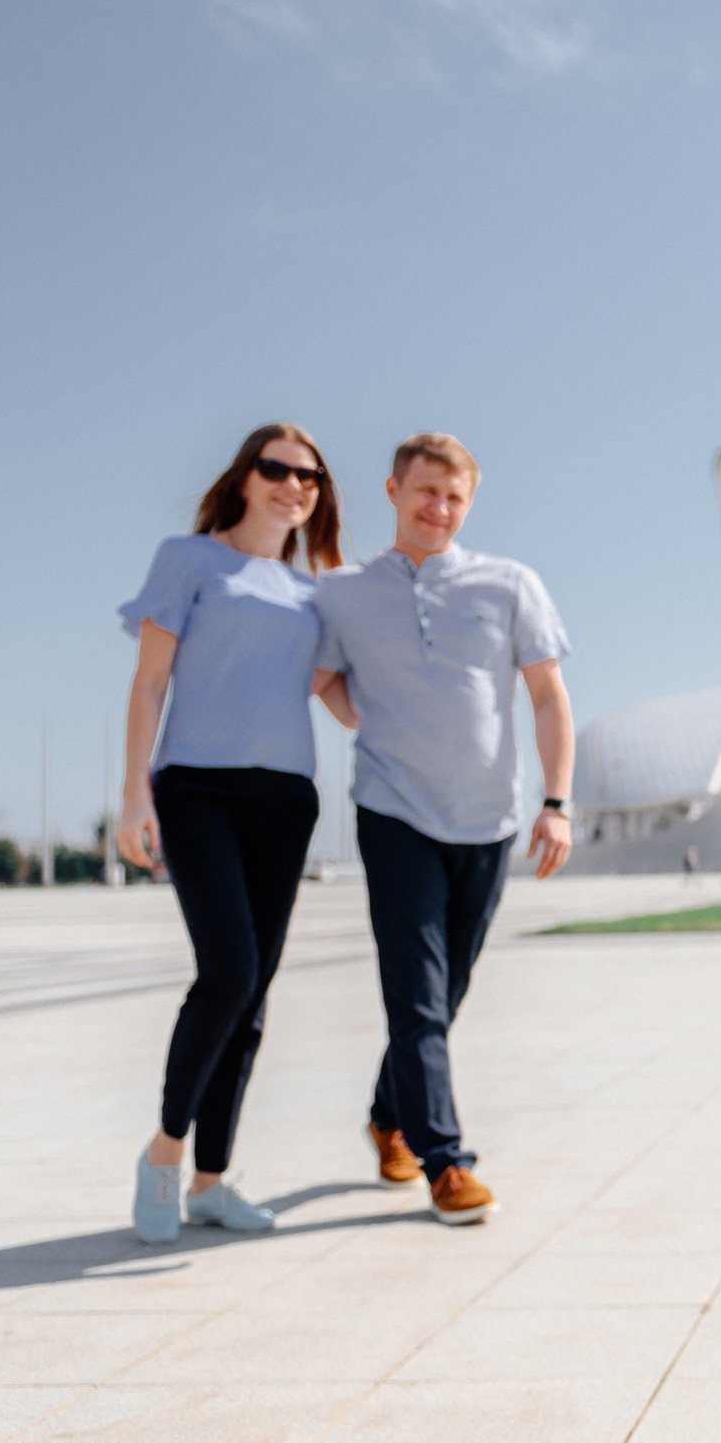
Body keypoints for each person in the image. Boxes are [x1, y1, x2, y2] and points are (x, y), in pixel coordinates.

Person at [312, 433, 573, 1226]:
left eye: (455, 497)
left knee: (446, 990)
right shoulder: (344, 592)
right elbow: (324, 677)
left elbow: (549, 697)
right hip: (393, 810)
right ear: (393, 490)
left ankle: (388, 1114)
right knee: (417, 995)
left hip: (489, 820)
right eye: (426, 492)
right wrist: (376, 725)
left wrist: (555, 803)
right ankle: (446, 1162)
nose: (440, 509)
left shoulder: (510, 583)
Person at [116, 424, 359, 1244]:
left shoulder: (313, 594)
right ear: (246, 477)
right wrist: (132, 796)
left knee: (253, 997)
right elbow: (150, 683)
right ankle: (163, 1155)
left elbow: (336, 694)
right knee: (228, 971)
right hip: (197, 792)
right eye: (278, 468)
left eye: (311, 476)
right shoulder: (189, 561)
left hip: (286, 800)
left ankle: (212, 1182)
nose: (295, 484)